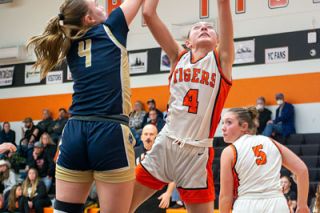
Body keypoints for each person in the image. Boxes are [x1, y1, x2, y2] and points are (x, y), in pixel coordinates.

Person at [27, 0, 143, 212]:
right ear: (89, 19)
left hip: (74, 132)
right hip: (109, 130)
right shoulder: (112, 27)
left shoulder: (70, 41)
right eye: (97, 6)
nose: (103, 7)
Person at [130, 0, 234, 212]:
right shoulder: (178, 57)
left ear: (218, 41)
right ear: (188, 42)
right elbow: (148, 14)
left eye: (209, 27)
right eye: (197, 27)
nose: (204, 28)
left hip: (196, 153)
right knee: (120, 207)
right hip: (165, 144)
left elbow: (223, 4)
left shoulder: (221, 60)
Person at [219, 107, 309, 213]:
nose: (223, 128)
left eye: (228, 122)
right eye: (222, 123)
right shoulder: (271, 142)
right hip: (277, 204)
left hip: (246, 205)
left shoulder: (229, 151)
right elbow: (302, 170)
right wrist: (302, 205)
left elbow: (225, 196)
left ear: (244, 126)